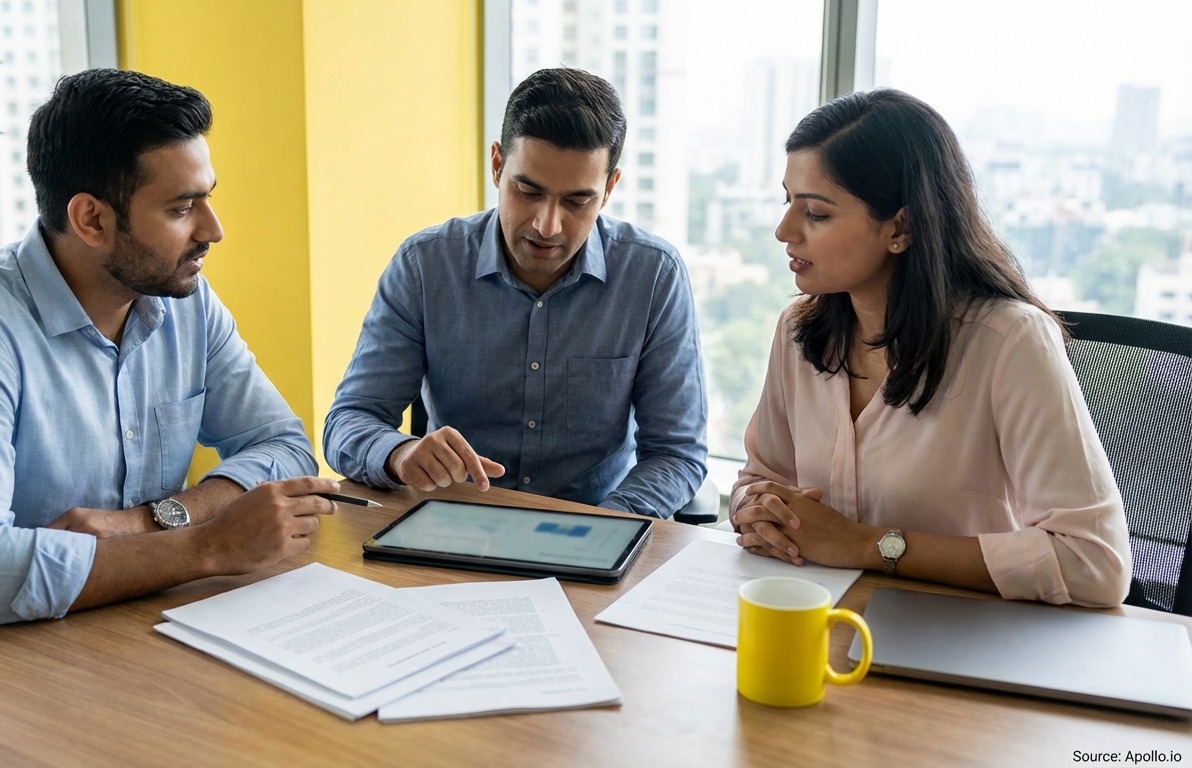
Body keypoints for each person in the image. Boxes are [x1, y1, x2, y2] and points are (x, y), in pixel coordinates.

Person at [0, 69, 339, 632]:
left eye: (208, 199)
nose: (213, 229)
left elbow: (282, 446)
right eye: (181, 208)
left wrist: (150, 522)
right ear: (91, 219)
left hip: (129, 619)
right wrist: (206, 548)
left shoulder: (185, 301)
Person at [730, 89, 1131, 607]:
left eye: (817, 214)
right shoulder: (797, 333)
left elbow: (1094, 563)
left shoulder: (1010, 342)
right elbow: (761, 477)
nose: (784, 230)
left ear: (902, 226)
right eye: (788, 202)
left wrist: (864, 546)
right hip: (818, 615)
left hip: (966, 634)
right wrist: (755, 508)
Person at [323, 67, 707, 519]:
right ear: (497, 166)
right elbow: (348, 422)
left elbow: (676, 452)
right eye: (528, 190)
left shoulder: (654, 275)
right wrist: (399, 453)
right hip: (452, 528)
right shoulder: (425, 265)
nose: (548, 225)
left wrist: (607, 525)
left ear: (609, 189)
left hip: (593, 524)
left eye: (577, 202)